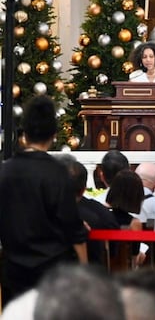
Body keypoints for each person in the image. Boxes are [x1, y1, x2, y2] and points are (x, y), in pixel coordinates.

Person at [0, 96, 88, 305]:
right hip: (52, 270)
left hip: (14, 268)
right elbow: (72, 226)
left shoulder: (5, 170)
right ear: (54, 135)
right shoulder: (57, 173)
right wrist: (84, 268)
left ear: (25, 134)